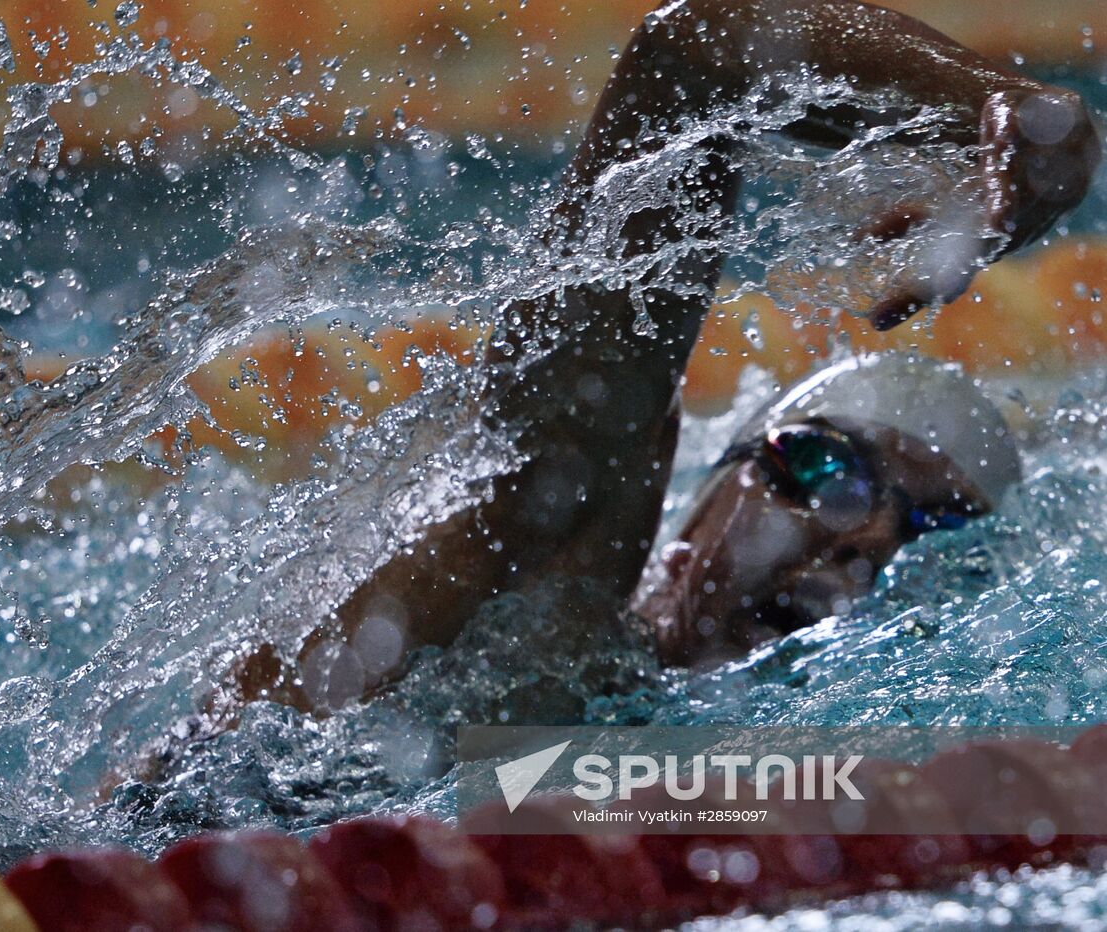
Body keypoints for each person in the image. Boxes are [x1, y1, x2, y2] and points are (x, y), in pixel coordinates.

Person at [206, 0, 1099, 720]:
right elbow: (690, 59)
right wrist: (993, 110)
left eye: (935, 531)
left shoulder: (732, 790)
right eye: (821, 465)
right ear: (691, 522)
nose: (868, 537)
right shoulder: (544, 570)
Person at [635, 351, 1021, 666]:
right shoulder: (580, 632)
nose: (878, 538)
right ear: (699, 518)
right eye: (825, 465)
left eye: (941, 528)